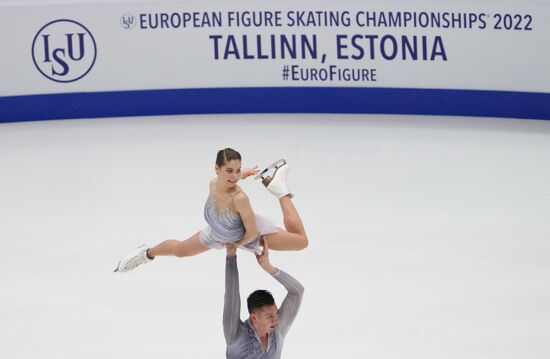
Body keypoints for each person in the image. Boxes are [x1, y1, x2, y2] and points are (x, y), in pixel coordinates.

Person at [114, 148, 308, 273]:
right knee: (180, 251)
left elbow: (252, 233)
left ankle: (280, 190)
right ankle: (146, 253)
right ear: (217, 169)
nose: (233, 176)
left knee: (301, 242)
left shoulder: (241, 199)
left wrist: (234, 244)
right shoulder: (214, 184)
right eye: (229, 171)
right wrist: (244, 173)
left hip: (249, 236)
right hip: (217, 233)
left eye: (237, 170)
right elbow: (230, 179)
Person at [224, 238, 304, 358]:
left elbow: (297, 291)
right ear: (254, 317)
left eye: (275, 313)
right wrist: (231, 255)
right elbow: (231, 294)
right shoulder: (235, 334)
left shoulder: (278, 328)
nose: (275, 319)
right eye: (269, 316)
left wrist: (269, 268)